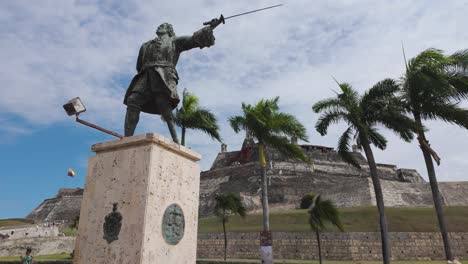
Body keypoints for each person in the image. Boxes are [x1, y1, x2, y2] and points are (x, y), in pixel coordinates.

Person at [123, 22, 217, 143]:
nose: (158, 27)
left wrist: (211, 27)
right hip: (145, 76)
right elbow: (139, 65)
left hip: (164, 75)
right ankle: (126, 139)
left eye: (163, 26)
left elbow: (193, 39)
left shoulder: (175, 41)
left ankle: (176, 141)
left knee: (164, 105)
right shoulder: (145, 46)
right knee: (133, 100)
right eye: (159, 25)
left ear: (169, 30)